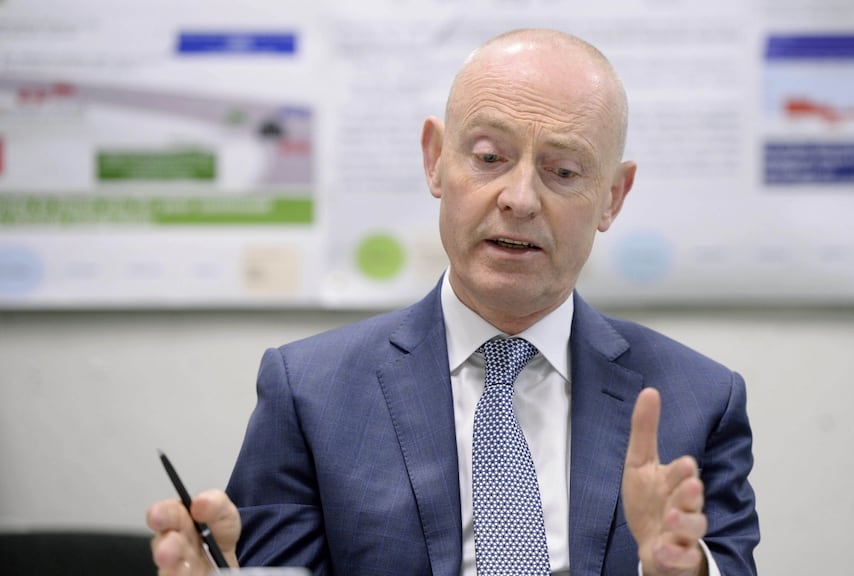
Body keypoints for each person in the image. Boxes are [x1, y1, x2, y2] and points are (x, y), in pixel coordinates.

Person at [147, 28, 759, 576]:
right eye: (490, 158)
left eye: (564, 171)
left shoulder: (699, 400)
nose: (519, 198)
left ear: (613, 197)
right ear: (436, 159)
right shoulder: (308, 393)